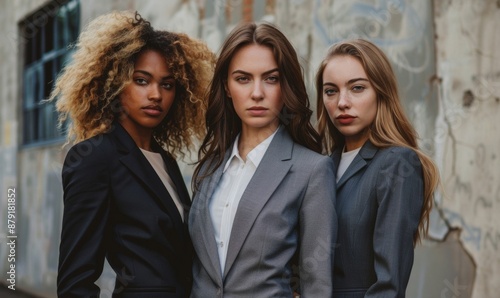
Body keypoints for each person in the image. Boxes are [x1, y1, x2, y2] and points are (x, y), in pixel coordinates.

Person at [50, 11, 214, 297]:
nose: (156, 95)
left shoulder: (165, 160)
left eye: (167, 84)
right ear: (115, 83)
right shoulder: (94, 158)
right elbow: (75, 282)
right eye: (142, 80)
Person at [188, 22, 337, 297]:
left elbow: (316, 282)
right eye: (243, 78)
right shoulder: (210, 168)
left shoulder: (312, 170)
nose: (257, 93)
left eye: (271, 79)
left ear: (286, 86)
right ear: (227, 86)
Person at [315, 38, 439, 297]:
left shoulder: (396, 163)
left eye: (357, 88)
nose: (342, 102)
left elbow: (389, 287)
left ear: (381, 92)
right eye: (331, 91)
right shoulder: (322, 165)